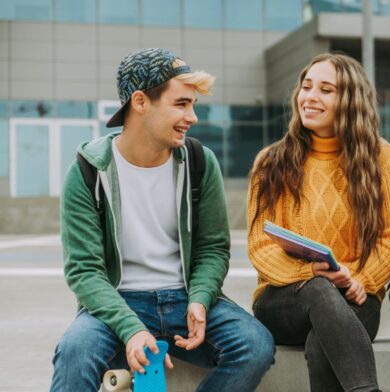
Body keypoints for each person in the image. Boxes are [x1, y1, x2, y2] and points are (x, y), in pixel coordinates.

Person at [50, 48, 274, 392]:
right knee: (74, 352)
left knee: (255, 345)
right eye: (181, 104)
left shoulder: (200, 162)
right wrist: (131, 328)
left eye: (193, 105)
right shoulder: (87, 170)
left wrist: (200, 298)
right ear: (140, 102)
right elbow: (84, 271)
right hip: (118, 301)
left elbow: (213, 249)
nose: (193, 117)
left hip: (185, 298)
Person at [247, 52, 390, 392]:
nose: (310, 97)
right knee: (318, 289)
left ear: (349, 100)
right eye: (306, 87)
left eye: (326, 90)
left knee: (323, 346)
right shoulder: (271, 162)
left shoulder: (381, 159)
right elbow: (260, 245)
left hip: (355, 296)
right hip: (284, 299)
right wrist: (308, 272)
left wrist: (361, 279)